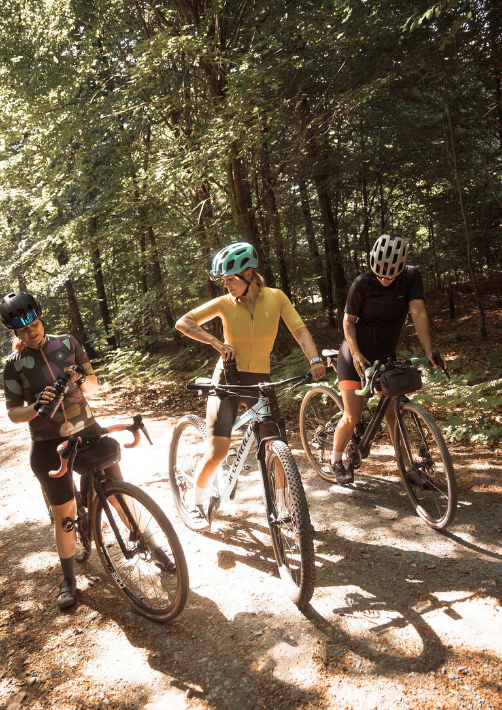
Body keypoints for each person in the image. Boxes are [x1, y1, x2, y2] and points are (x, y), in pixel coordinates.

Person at [175, 242, 326, 530]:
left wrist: (315, 359)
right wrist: (217, 343)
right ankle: (195, 502)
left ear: (248, 274)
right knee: (218, 451)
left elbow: (299, 330)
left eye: (231, 279)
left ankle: (286, 509)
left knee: (275, 447)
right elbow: (184, 322)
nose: (226, 285)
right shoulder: (224, 303)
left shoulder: (276, 298)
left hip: (260, 381)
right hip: (227, 379)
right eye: (224, 280)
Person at [1, 291, 124, 610]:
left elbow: (94, 384)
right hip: (47, 445)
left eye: (35, 325)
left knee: (119, 493)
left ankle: (149, 543)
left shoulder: (68, 343)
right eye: (23, 330)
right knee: (65, 515)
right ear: (15, 332)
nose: (32, 332)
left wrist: (80, 381)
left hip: (88, 431)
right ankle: (68, 579)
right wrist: (35, 406)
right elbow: (13, 414)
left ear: (41, 319)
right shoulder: (13, 365)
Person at [332, 234, 446, 485]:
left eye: (390, 277)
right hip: (355, 353)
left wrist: (429, 350)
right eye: (380, 275)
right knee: (352, 415)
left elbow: (418, 312)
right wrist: (356, 353)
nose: (384, 280)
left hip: (385, 353)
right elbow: (348, 322)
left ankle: (408, 468)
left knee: (394, 414)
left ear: (401, 268)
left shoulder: (411, 277)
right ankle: (336, 460)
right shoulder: (362, 282)